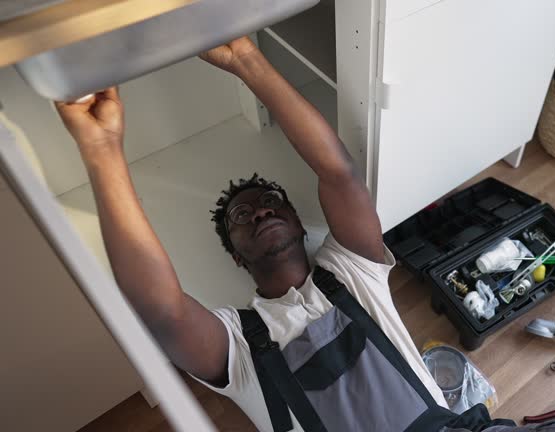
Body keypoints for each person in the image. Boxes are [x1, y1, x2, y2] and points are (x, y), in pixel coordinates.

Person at [54, 36, 452, 432]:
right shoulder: (240, 343)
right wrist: (102, 147)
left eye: (271, 201)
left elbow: (340, 175)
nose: (261, 210)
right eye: (241, 216)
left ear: (298, 223)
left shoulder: (353, 269)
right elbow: (162, 311)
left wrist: (246, 58)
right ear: (237, 256)